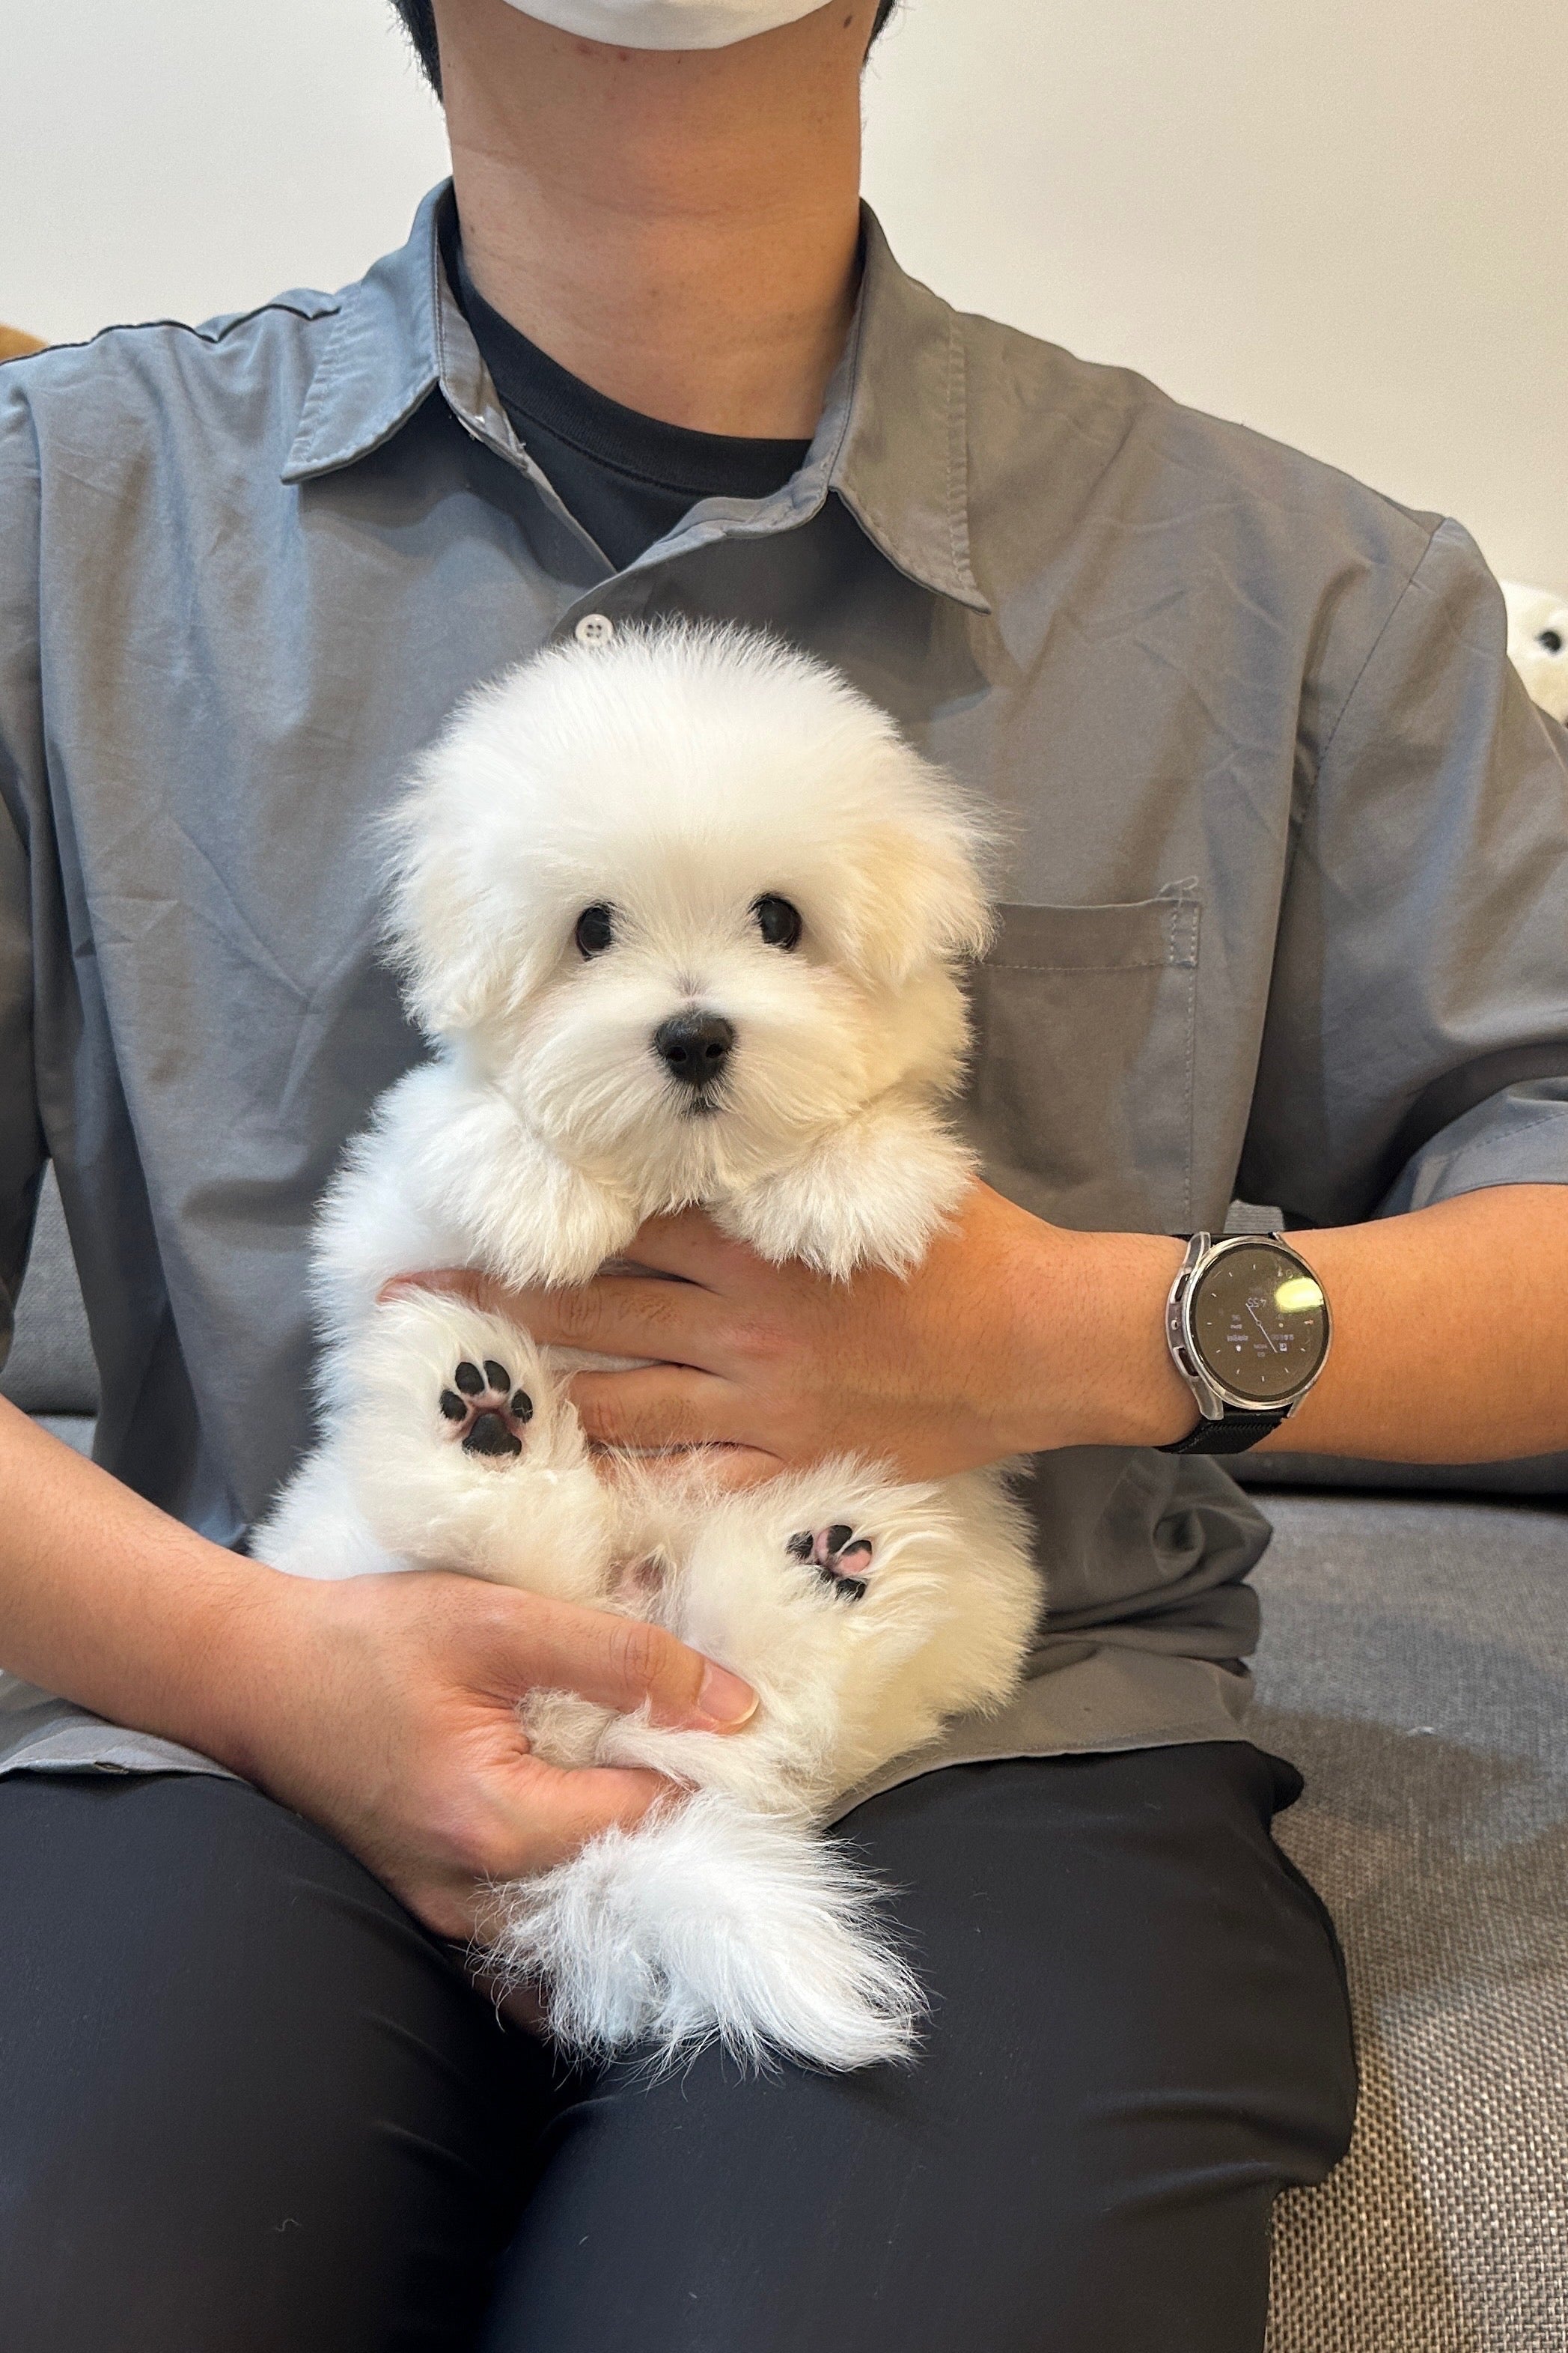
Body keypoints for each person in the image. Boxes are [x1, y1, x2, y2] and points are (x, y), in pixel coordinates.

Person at [0, 1, 1564, 2345]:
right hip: (239, 1695)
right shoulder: (59, 518)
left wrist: (1085, 1330)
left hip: (994, 1743)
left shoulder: (1309, 590)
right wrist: (251, 1659)